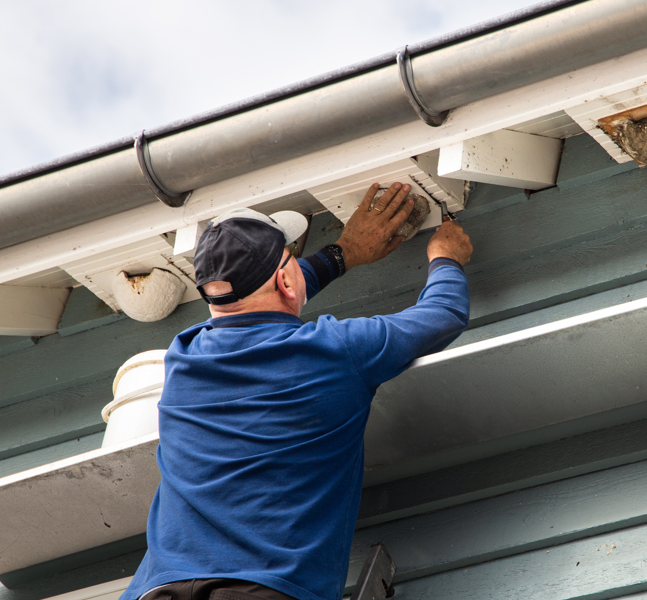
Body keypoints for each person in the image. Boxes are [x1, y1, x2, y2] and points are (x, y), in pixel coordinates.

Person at [118, 182, 473, 600]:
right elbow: (443, 313)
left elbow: (256, 298)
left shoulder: (185, 356)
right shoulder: (337, 351)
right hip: (262, 590)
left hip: (158, 592)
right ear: (285, 279)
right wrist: (446, 258)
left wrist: (342, 254)